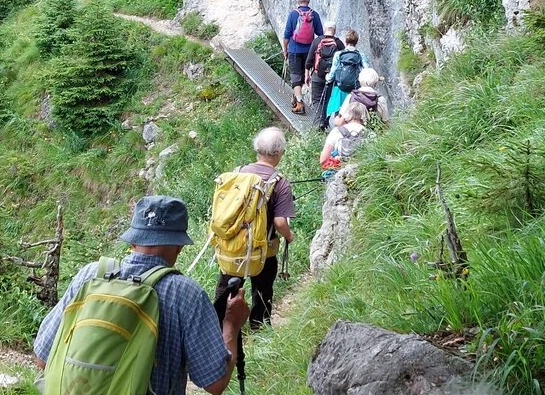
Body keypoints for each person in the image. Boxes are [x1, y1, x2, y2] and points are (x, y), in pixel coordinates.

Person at [34, 196, 248, 395]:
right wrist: (231, 325)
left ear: (133, 240)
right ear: (179, 246)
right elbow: (214, 383)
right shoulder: (186, 294)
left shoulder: (90, 276)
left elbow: (43, 358)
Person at [214, 127, 295, 330]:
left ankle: (219, 326)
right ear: (278, 153)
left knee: (227, 287)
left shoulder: (238, 173)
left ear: (257, 149)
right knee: (262, 288)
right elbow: (280, 222)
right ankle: (259, 328)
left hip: (233, 244)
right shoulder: (280, 183)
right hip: (262, 248)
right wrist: (289, 236)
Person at [282, 0, 323, 115]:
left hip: (294, 50)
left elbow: (286, 35)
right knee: (305, 76)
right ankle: (303, 98)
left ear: (298, 2)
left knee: (295, 75)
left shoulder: (293, 14)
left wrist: (285, 49)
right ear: (308, 1)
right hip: (309, 51)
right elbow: (320, 35)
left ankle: (299, 103)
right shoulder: (314, 15)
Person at [324, 29, 371, 118]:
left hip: (340, 87)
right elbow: (367, 71)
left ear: (345, 41)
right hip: (355, 90)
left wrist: (327, 78)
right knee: (352, 113)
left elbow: (333, 72)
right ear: (356, 42)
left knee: (338, 112)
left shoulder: (339, 54)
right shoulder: (360, 55)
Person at [305, 22, 342, 130]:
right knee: (327, 100)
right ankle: (324, 123)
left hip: (317, 76)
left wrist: (307, 74)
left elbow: (309, 59)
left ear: (324, 29)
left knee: (316, 100)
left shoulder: (317, 41)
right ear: (334, 31)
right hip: (331, 78)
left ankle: (318, 124)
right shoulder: (338, 43)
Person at [319, 102, 369, 173]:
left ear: (347, 115)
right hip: (362, 174)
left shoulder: (336, 132)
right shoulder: (370, 134)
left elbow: (323, 160)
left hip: (338, 175)